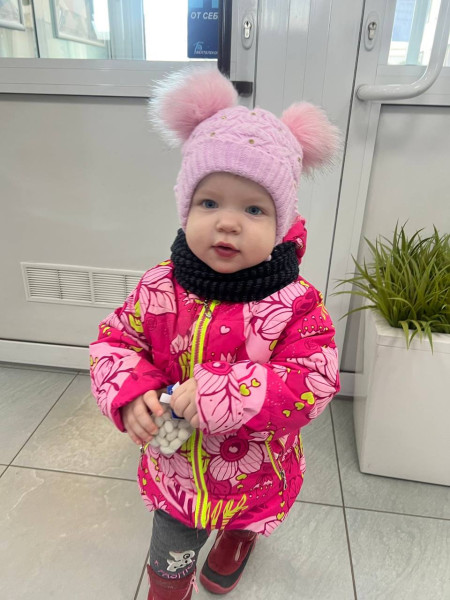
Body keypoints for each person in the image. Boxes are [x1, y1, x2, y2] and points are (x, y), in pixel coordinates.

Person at [89, 67, 341, 600]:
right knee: (170, 556)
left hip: (254, 470)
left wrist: (229, 391)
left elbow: (314, 382)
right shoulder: (160, 286)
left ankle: (238, 537)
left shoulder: (297, 304)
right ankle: (170, 584)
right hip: (176, 472)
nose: (228, 223)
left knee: (248, 515)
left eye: (254, 209)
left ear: (281, 224)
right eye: (210, 203)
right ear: (186, 207)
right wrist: (129, 392)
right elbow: (115, 341)